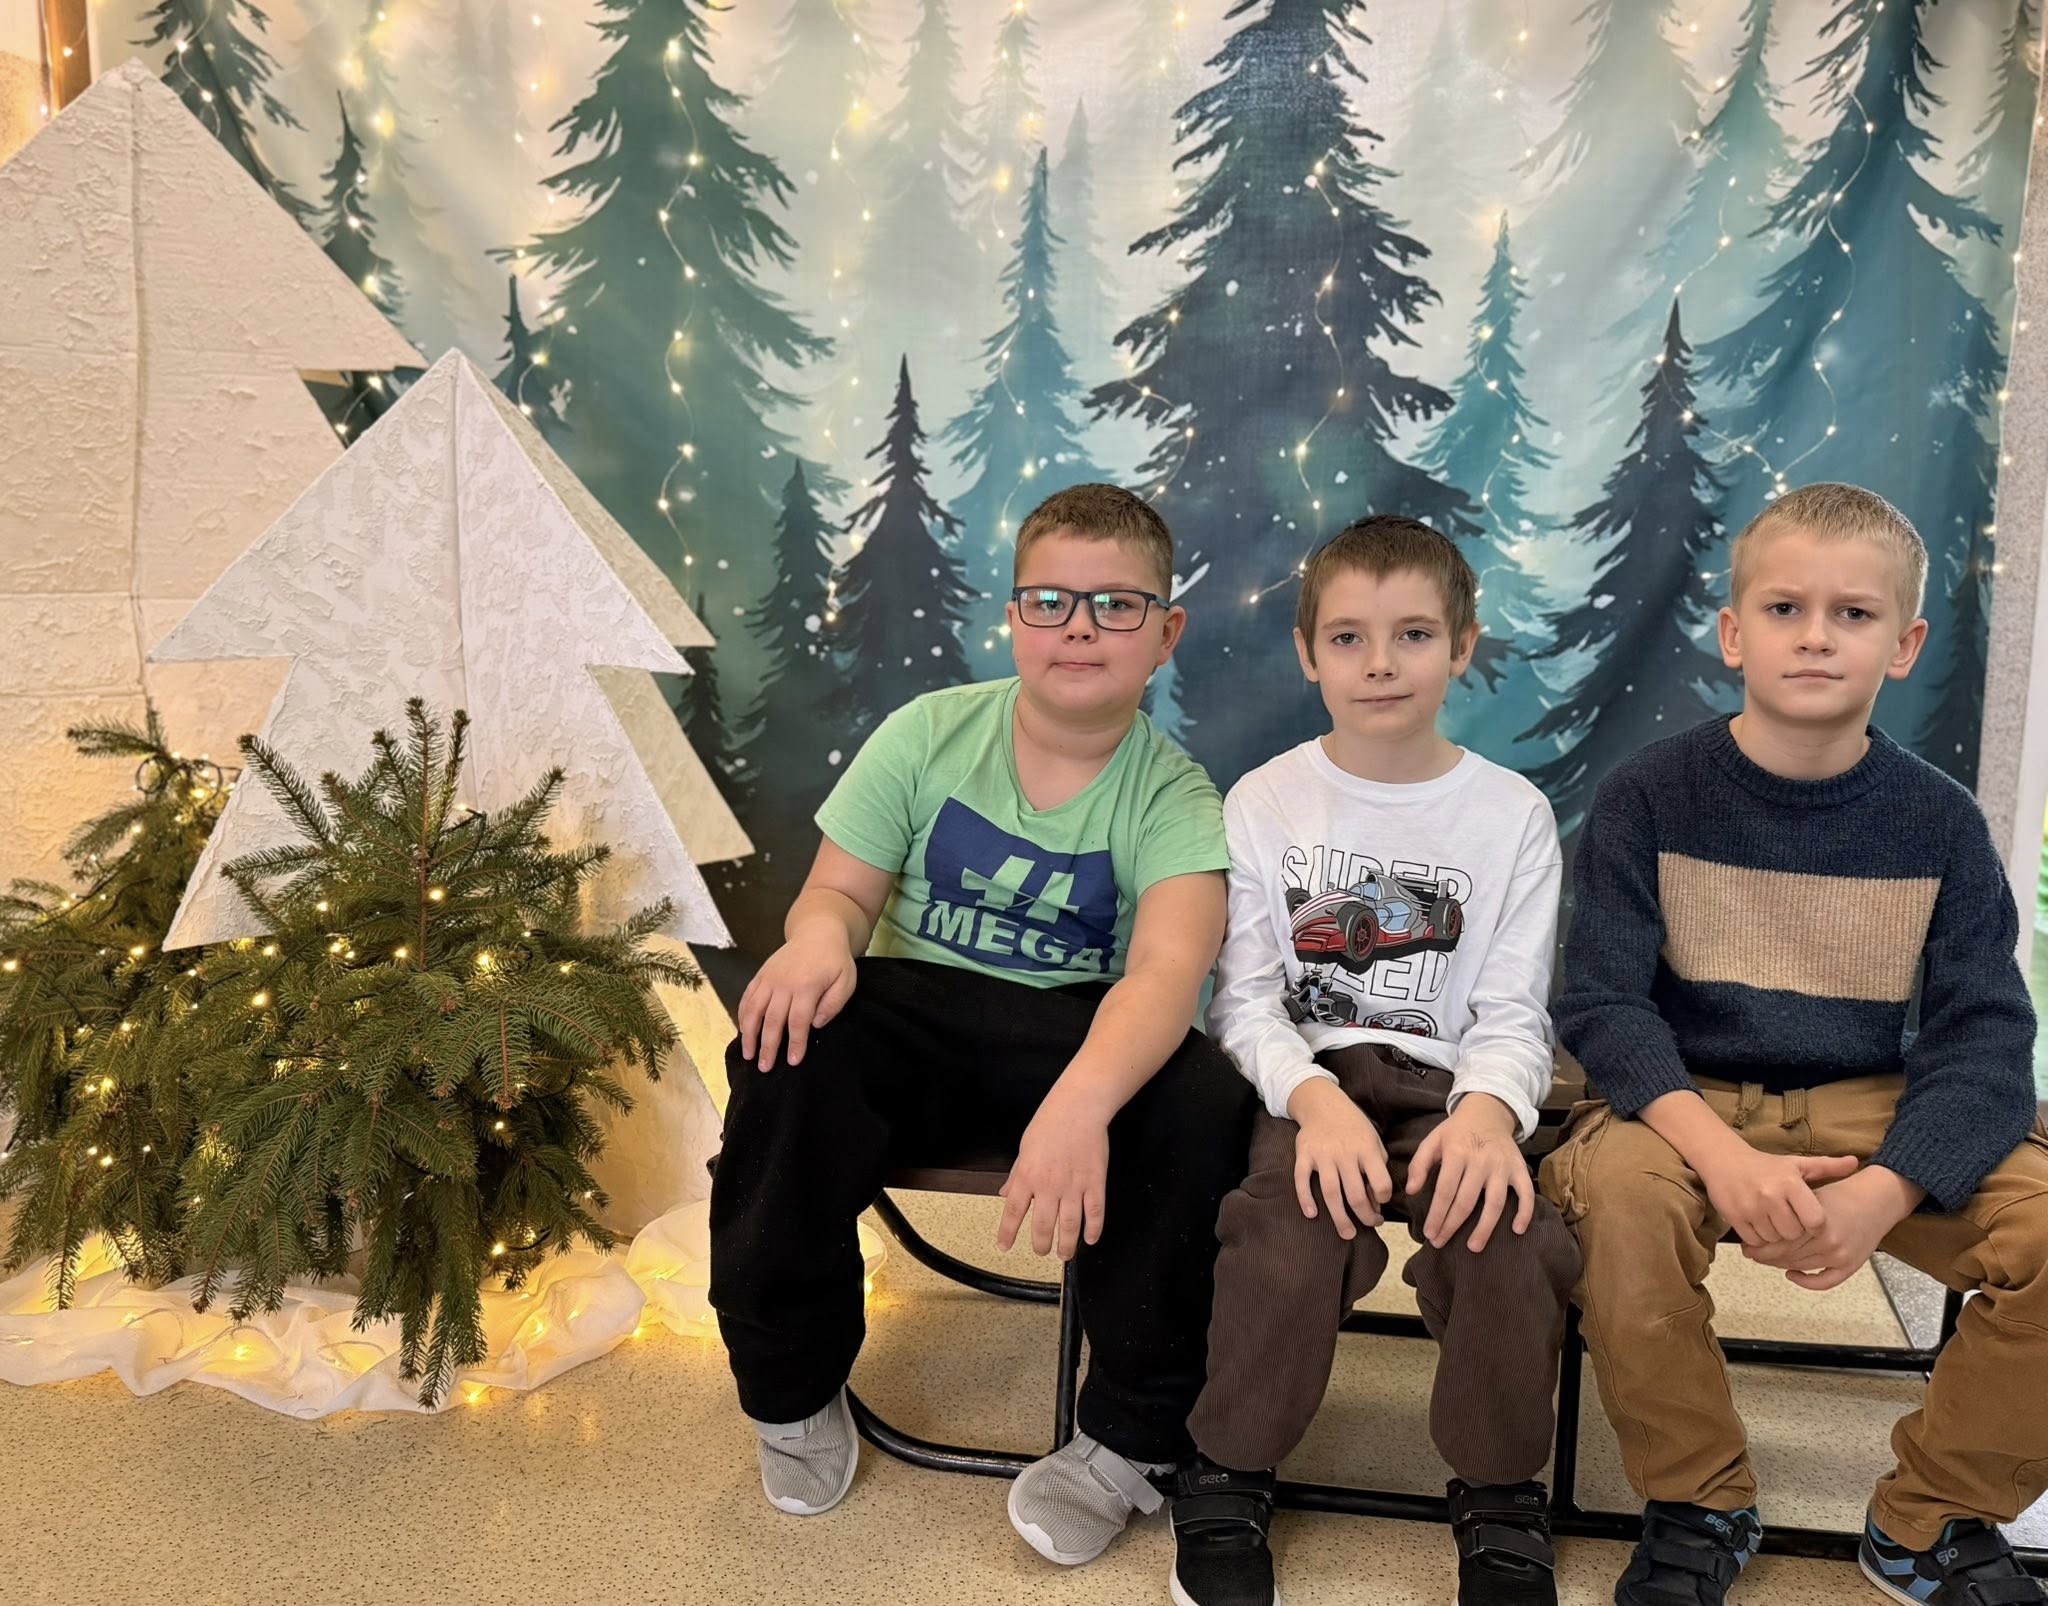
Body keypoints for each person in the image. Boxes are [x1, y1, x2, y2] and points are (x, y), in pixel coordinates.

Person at [707, 483, 1255, 1568]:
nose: (1080, 628)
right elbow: (839, 893)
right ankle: (791, 1384)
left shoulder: (1176, 795)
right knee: (791, 1037)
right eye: (1051, 601)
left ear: (1166, 633)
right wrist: (817, 937)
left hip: (1070, 1038)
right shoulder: (927, 733)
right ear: (1012, 618)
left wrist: (1081, 1105)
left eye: (1116, 605)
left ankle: (1127, 1441)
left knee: (1202, 1094)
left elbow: (1164, 973)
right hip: (915, 1022)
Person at [1542, 482, 2048, 1606]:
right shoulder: (1646, 796)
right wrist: (1719, 1156)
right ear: (1734, 634)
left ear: (1903, 645)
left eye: (1852, 614)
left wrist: (1884, 1193)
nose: (1815, 635)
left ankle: (1929, 1519)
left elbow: (1983, 1041)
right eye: (1784, 609)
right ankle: (1698, 1500)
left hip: (1868, 1097)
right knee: (1619, 1203)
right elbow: (1606, 1008)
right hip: (1681, 1096)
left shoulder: (1941, 824)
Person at [1167, 516, 1578, 1606]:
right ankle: (1227, 1466)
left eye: (1413, 635)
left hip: (1453, 1087)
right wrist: (1312, 1101)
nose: (1380, 663)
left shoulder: (1511, 816)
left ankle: (1500, 1489)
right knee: (1288, 1226)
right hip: (1311, 1081)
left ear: (1462, 646)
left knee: (1508, 1233)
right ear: (1307, 653)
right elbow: (1243, 1001)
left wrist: (1487, 1116)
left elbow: (1513, 1012)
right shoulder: (1264, 800)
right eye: (1348, 637)